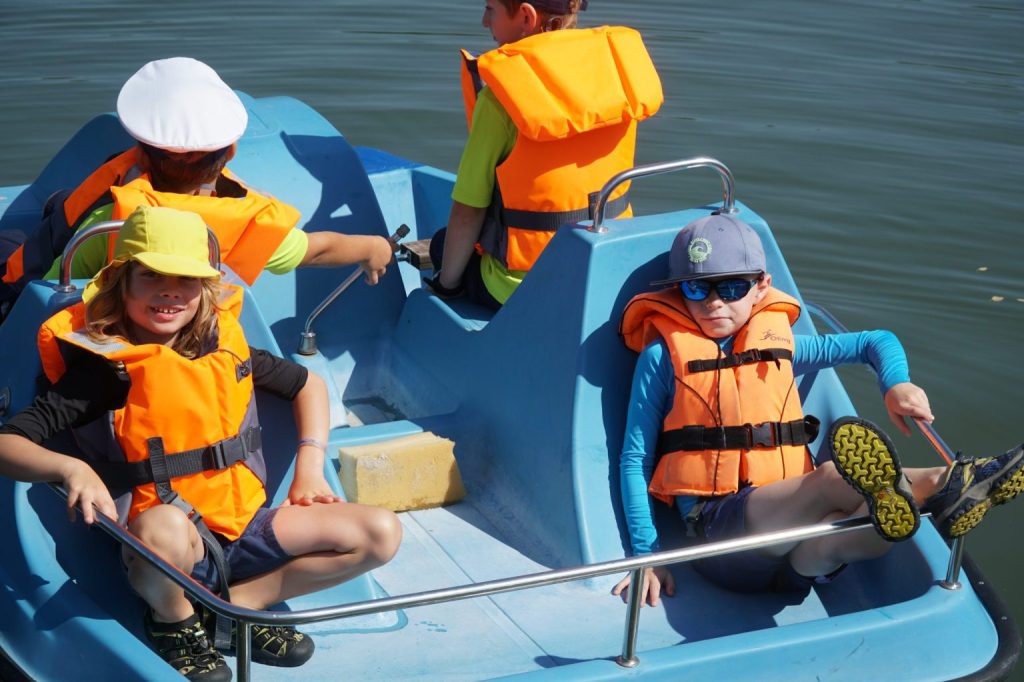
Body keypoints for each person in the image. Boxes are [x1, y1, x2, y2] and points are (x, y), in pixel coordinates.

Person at [0, 206, 402, 680]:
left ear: (204, 289)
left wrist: (309, 468)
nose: (170, 291)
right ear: (122, 283)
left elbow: (308, 384)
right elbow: (8, 442)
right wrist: (71, 469)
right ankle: (174, 621)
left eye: (186, 280)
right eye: (152, 275)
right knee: (163, 528)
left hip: (245, 526)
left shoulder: (222, 345)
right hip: (166, 545)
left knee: (380, 532)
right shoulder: (105, 371)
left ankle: (235, 606)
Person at [610, 214, 1024, 606]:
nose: (714, 303)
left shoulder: (782, 346)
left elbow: (876, 341)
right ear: (679, 291)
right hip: (721, 540)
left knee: (867, 521)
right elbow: (635, 458)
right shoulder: (661, 358)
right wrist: (646, 556)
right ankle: (946, 484)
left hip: (800, 568)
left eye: (731, 287)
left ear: (761, 286)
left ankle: (941, 494)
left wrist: (895, 384)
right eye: (696, 289)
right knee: (831, 479)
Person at [0, 57, 394, 312]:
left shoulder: (108, 221)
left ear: (141, 153)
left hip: (111, 318)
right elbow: (317, 248)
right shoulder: (249, 225)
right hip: (189, 328)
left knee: (20, 234)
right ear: (231, 153)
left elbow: (56, 280)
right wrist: (372, 248)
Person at [426, 0, 663, 309]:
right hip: (604, 267)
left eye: (491, 9)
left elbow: (467, 211)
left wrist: (447, 286)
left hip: (519, 289)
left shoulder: (500, 99)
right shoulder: (618, 77)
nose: (484, 21)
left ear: (526, 16)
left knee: (441, 244)